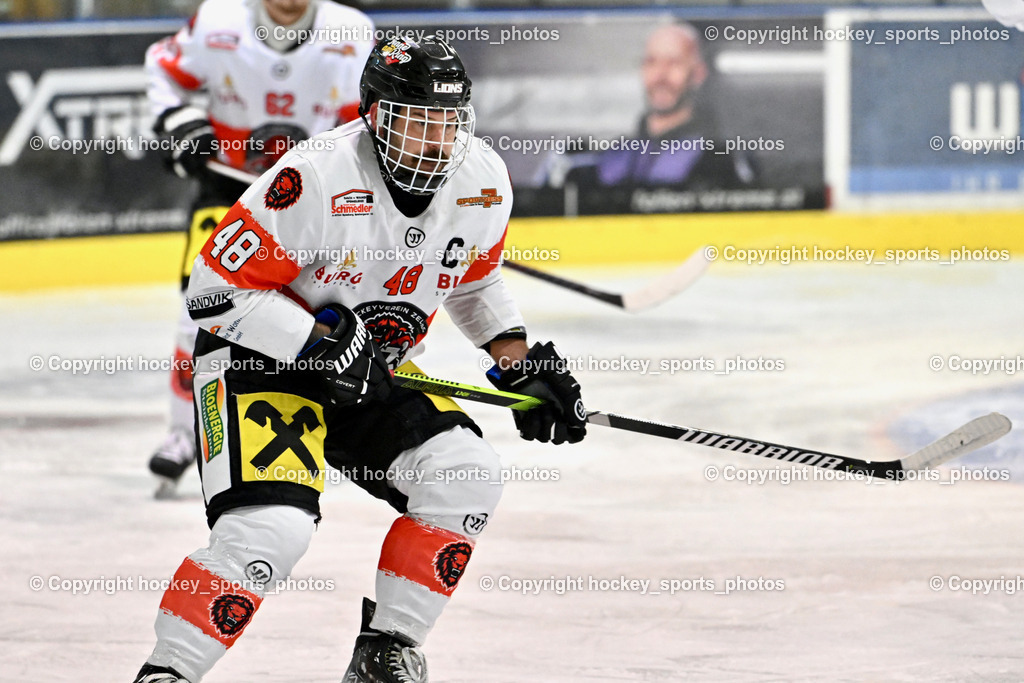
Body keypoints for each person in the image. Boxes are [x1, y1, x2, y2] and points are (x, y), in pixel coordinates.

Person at [132, 36, 587, 683]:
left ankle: (385, 650)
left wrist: (516, 364)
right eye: (417, 122)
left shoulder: (483, 181)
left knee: (465, 474)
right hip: (260, 365)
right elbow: (213, 288)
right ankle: (168, 672)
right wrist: (314, 343)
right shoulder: (316, 177)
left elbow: (475, 282)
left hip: (372, 368)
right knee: (272, 530)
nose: (436, 141)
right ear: (374, 115)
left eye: (448, 122)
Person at [144, 0, 374, 497]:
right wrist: (179, 120)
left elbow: (369, 127)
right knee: (199, 308)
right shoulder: (215, 21)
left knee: (315, 309)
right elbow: (163, 69)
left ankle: (321, 423)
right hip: (227, 193)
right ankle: (184, 432)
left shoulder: (353, 32)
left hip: (313, 200)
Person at [544, 22, 755, 194]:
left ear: (698, 73)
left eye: (674, 63)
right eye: (652, 62)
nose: (660, 76)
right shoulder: (613, 157)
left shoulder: (720, 159)